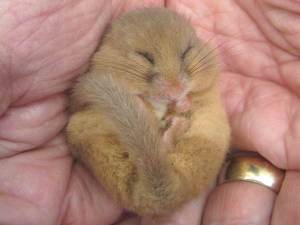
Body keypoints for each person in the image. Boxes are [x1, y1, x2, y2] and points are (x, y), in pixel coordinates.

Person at [0, 0, 299, 224]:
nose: (172, 84)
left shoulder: (201, 70)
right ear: (113, 49)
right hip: (128, 170)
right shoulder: (109, 61)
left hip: (185, 164)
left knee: (209, 119)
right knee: (83, 127)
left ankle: (172, 144)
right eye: (145, 58)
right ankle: (159, 147)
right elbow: (91, 92)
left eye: (185, 55)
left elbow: (205, 74)